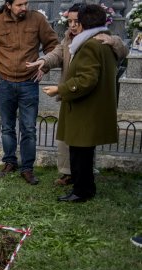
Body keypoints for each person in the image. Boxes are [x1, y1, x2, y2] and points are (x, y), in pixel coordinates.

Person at [27, 4, 128, 186]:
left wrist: (60, 89)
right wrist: (43, 61)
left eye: (76, 21)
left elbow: (88, 78)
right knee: (72, 143)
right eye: (70, 21)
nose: (73, 25)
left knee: (82, 144)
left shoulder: (96, 42)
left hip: (81, 98)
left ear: (84, 23)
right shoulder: (71, 40)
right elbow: (57, 54)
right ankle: (72, 175)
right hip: (74, 97)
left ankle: (82, 185)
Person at [0, 0, 58, 185]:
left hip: (29, 82)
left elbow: (53, 45)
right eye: (19, 4)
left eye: (26, 3)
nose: (24, 8)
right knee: (7, 126)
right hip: (3, 82)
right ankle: (10, 162)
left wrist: (44, 66)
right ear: (8, 5)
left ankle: (27, 168)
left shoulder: (37, 19)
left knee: (29, 128)